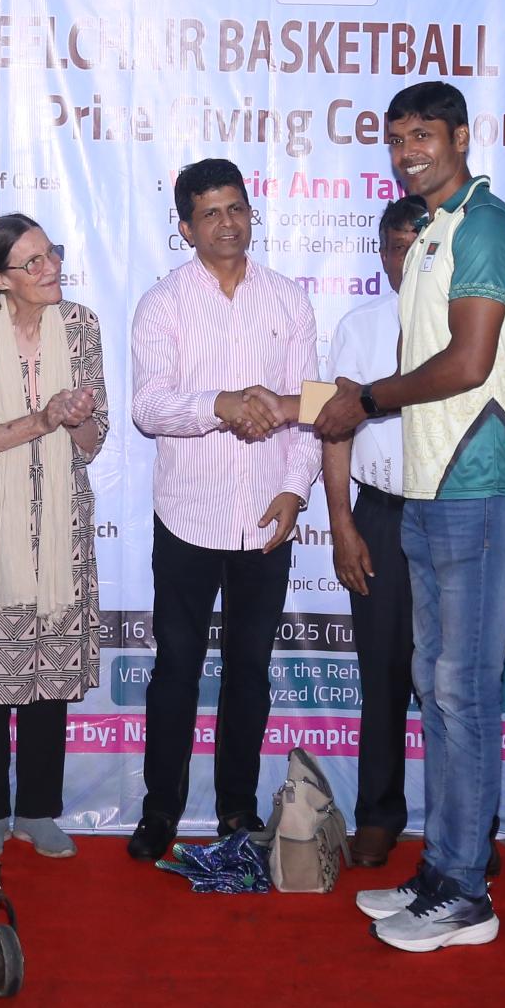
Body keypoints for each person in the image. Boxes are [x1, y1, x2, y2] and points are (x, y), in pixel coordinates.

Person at [316, 82, 505, 955]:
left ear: (460, 136)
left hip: (483, 486)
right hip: (429, 490)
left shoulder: (483, 224)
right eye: (397, 138)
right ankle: (444, 869)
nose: (409, 151)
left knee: (464, 691)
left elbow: (470, 361)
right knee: (436, 684)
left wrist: (366, 399)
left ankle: (468, 895)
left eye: (423, 135)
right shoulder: (434, 232)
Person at [127, 159, 319, 861]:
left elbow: (312, 403)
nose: (227, 223)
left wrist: (295, 490)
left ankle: (237, 809)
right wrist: (220, 405)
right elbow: (149, 408)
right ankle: (160, 811)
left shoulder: (288, 299)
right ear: (185, 227)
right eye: (209, 213)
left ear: (251, 213)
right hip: (188, 516)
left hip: (266, 515)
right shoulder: (164, 303)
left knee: (249, 671)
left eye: (236, 208)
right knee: (176, 669)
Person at [0, 214, 108, 860]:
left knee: (51, 665)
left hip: (61, 520)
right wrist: (43, 418)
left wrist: (79, 418)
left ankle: (39, 811)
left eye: (52, 254)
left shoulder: (83, 325)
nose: (51, 269)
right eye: (32, 262)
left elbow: (92, 442)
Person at [319, 195, 428, 867]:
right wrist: (342, 525)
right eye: (395, 249)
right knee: (382, 676)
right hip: (382, 516)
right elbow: (334, 430)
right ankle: (379, 815)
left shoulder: (474, 327)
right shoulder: (359, 327)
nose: (405, 262)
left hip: (456, 514)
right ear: (382, 255)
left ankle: (464, 824)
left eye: (420, 249)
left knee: (455, 680)